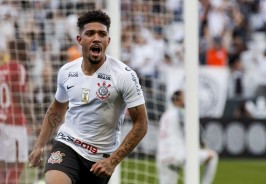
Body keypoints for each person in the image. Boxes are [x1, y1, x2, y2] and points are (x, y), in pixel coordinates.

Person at [28, 10, 148, 184]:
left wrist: (112, 161)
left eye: (102, 34)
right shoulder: (66, 71)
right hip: (67, 144)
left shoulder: (124, 76)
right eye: (90, 33)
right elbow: (57, 108)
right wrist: (40, 145)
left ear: (108, 40)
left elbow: (142, 124)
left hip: (100, 158)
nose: (96, 38)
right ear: (79, 40)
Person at [157, 90, 218, 184]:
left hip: (163, 157)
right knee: (212, 156)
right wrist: (202, 143)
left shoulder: (165, 115)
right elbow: (192, 129)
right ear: (178, 100)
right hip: (179, 155)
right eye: (184, 98)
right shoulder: (180, 112)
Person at [0, 40, 35, 184]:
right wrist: (33, 120)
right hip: (14, 124)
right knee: (16, 167)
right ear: (21, 51)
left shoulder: (2, 69)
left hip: (1, 121)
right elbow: (20, 97)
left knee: (2, 168)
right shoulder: (19, 68)